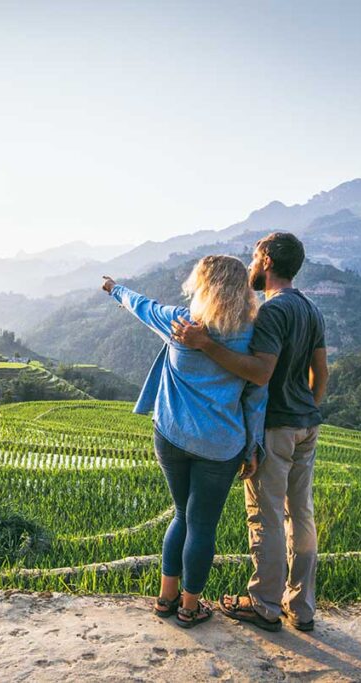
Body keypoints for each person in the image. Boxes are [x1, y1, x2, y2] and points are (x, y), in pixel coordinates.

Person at [172, 232, 328, 633]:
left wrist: (205, 344)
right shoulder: (312, 311)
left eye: (255, 259)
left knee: (267, 516)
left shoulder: (273, 313)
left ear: (267, 260)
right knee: (302, 515)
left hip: (276, 426)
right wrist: (307, 408)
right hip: (306, 426)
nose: (251, 267)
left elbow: (260, 373)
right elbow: (320, 373)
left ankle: (264, 605)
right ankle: (303, 607)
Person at [101, 255, 267, 628]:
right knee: (202, 525)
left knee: (181, 515)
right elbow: (257, 396)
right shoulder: (250, 334)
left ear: (203, 285)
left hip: (172, 436)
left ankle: (165, 599)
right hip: (219, 445)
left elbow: (141, 305)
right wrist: (254, 445)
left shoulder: (179, 322)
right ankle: (190, 607)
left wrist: (114, 289)